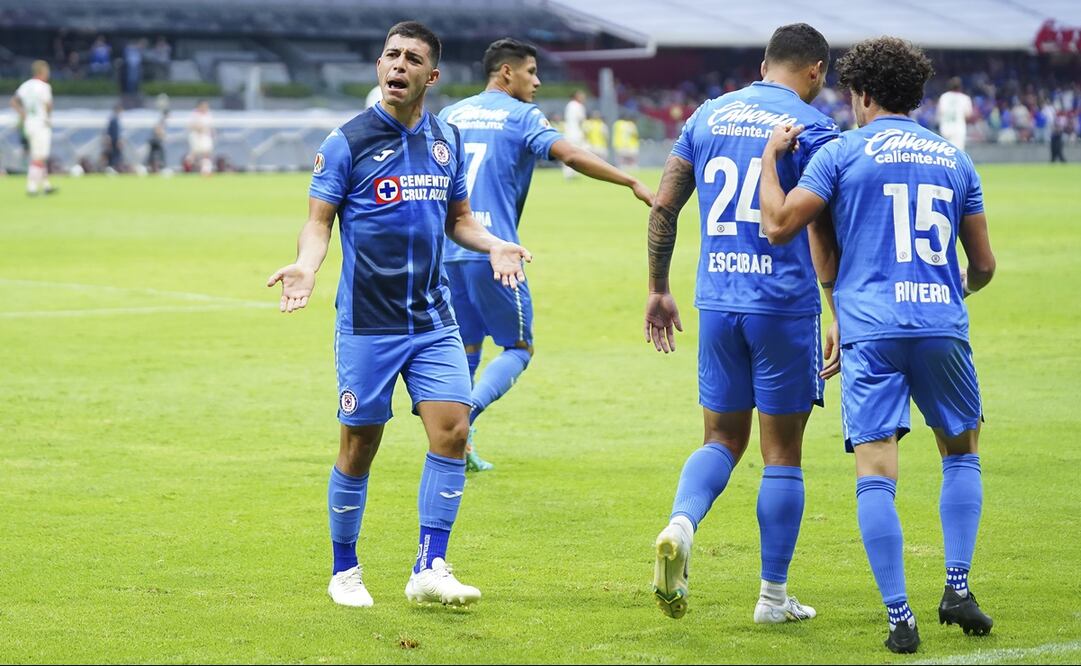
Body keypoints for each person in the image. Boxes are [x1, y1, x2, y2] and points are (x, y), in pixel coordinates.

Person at [267, 21, 532, 609]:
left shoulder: (446, 140)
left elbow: (458, 217)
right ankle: (345, 571)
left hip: (432, 319)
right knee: (360, 444)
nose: (398, 65)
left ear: (430, 76)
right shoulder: (348, 141)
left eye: (412, 59)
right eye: (391, 55)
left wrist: (493, 244)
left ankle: (430, 566)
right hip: (368, 322)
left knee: (453, 431)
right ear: (379, 67)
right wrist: (307, 265)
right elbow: (319, 221)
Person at [758, 36, 996, 654]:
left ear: (861, 94)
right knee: (961, 452)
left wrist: (768, 158)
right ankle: (958, 587)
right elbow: (985, 266)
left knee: (876, 474)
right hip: (941, 326)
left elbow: (782, 225)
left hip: (871, 331)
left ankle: (899, 618)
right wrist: (946, 298)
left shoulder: (841, 153)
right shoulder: (954, 159)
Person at [645, 23, 839, 624]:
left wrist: (658, 289)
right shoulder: (815, 129)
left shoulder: (707, 116)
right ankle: (773, 598)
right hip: (783, 306)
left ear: (763, 64)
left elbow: (665, 205)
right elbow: (826, 233)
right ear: (815, 72)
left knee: (721, 440)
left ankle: (681, 521)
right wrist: (838, 311)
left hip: (717, 301)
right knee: (782, 453)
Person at [439, 38, 653, 471]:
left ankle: (459, 446)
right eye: (531, 72)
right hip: (495, 250)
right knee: (519, 347)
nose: (536, 82)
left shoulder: (450, 114)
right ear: (506, 73)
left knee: (467, 345)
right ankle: (464, 419)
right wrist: (629, 181)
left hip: (449, 249)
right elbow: (570, 154)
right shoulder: (521, 115)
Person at [11, 60, 57, 196]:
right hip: (40, 123)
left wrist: (23, 114)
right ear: (42, 72)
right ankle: (31, 186)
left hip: (29, 124)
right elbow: (48, 105)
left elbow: (13, 101)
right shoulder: (44, 87)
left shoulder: (25, 86)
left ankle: (46, 185)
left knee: (38, 155)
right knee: (39, 156)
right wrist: (48, 116)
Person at [937, 77, 973, 151]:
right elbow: (968, 115)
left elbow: (940, 112)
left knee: (945, 152)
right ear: (960, 87)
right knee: (958, 152)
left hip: (945, 127)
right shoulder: (964, 98)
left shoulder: (944, 97)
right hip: (958, 127)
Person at [561, 89, 587, 178]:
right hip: (577, 132)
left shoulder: (569, 105)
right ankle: (577, 172)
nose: (583, 97)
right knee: (581, 152)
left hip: (568, 132)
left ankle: (568, 173)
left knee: (568, 153)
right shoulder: (578, 106)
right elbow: (581, 120)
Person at [187, 99, 214, 176]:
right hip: (196, 137)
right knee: (194, 155)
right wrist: (199, 129)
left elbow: (210, 126)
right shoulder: (195, 114)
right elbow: (191, 125)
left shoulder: (208, 114)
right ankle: (188, 169)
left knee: (206, 153)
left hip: (206, 136)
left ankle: (205, 171)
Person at [103, 103, 124, 172]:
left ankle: (116, 168)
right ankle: (112, 169)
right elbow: (110, 132)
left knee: (117, 156)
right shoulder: (113, 120)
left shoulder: (117, 120)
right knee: (113, 156)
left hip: (115, 141)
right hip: (114, 141)